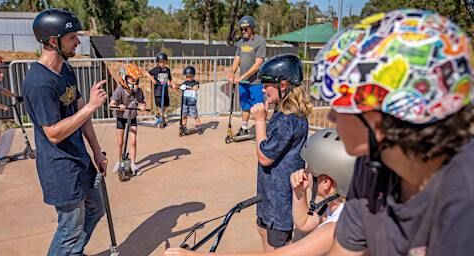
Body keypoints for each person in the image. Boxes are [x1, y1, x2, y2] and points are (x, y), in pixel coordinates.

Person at [310, 9, 474, 256]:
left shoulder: (465, 195)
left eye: (339, 106)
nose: (331, 117)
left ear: (379, 119)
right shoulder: (373, 167)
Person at [164, 128, 356, 256]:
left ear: (326, 182)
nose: (304, 172)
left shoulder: (341, 228)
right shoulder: (342, 205)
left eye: (310, 170)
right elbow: (304, 223)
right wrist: (298, 192)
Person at [21, 9, 108, 255]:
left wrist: (96, 152)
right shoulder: (39, 83)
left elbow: (80, 111)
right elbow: (54, 133)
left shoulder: (66, 70)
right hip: (59, 168)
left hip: (80, 160)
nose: (78, 42)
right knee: (69, 229)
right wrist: (91, 106)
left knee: (95, 208)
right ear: (52, 41)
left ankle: (73, 251)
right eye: (72, 37)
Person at [251, 53, 312, 251]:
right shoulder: (288, 115)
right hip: (272, 195)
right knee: (263, 231)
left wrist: (260, 120)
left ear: (283, 85)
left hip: (278, 201)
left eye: (267, 83)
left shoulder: (287, 120)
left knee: (275, 245)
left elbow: (265, 157)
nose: (263, 88)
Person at [228, 15, 266, 137]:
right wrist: (232, 73)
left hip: (255, 82)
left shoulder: (260, 42)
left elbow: (257, 65)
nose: (244, 31)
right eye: (242, 29)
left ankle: (262, 132)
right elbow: (237, 59)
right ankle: (244, 128)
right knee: (245, 106)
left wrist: (242, 77)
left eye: (246, 29)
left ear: (252, 28)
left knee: (258, 108)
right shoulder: (241, 42)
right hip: (243, 83)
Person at [110, 63, 148, 176]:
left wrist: (142, 105)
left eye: (136, 81)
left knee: (133, 141)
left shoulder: (138, 91)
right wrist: (118, 105)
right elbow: (111, 104)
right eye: (132, 81)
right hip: (121, 117)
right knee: (120, 142)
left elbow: (142, 102)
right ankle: (118, 161)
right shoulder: (119, 90)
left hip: (132, 117)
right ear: (124, 79)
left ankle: (133, 164)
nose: (135, 84)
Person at [149, 52, 175, 124]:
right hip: (158, 90)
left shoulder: (167, 70)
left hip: (165, 90)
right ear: (158, 63)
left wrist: (172, 84)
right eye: (160, 62)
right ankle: (161, 117)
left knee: (166, 105)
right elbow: (147, 73)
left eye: (163, 62)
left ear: (166, 62)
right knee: (160, 105)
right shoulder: (156, 69)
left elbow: (170, 78)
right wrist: (152, 79)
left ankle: (159, 115)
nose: (162, 64)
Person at [179, 66, 202, 130]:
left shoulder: (195, 83)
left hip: (192, 102)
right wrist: (175, 87)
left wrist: (191, 88)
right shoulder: (184, 83)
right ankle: (184, 126)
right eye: (187, 76)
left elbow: (196, 87)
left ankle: (198, 125)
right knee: (184, 115)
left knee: (194, 115)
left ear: (193, 76)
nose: (188, 78)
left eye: (189, 76)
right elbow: (180, 87)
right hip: (184, 102)